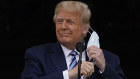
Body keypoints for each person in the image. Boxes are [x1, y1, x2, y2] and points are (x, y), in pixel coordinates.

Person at [20, 1, 126, 79]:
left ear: (85, 29)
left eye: (70, 22)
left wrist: (104, 67)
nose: (63, 27)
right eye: (59, 21)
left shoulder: (109, 59)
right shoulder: (37, 55)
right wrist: (70, 74)